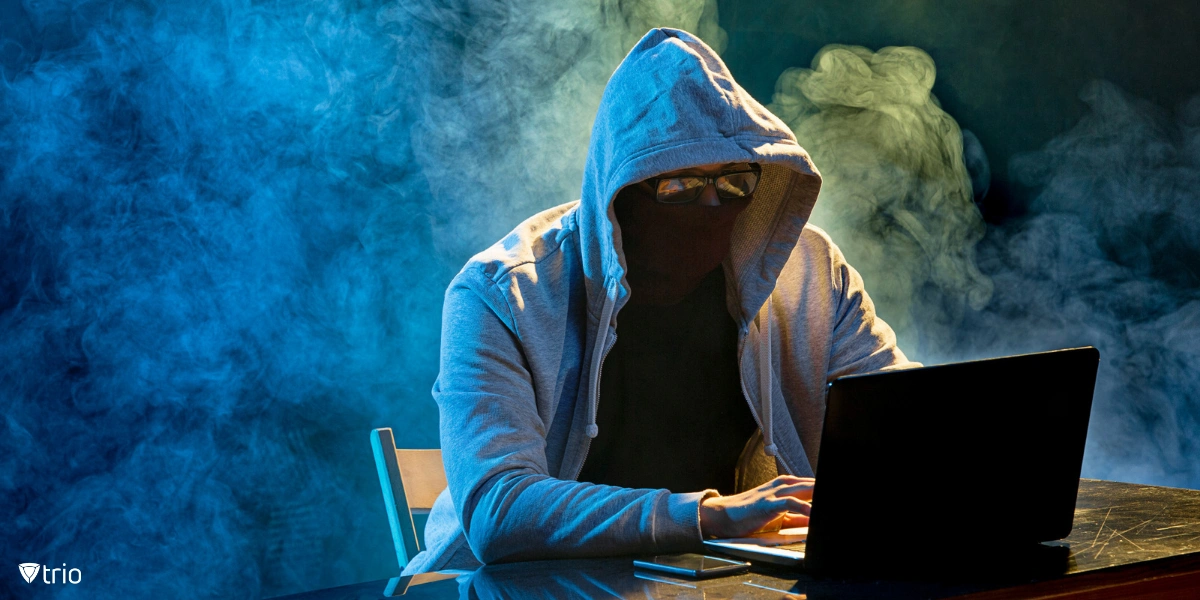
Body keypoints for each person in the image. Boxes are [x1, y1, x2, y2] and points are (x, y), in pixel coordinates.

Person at [401, 27, 917, 575]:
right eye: (682, 187)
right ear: (621, 190)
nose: (713, 207)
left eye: (736, 182)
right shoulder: (502, 294)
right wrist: (707, 515)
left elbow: (906, 423)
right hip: (523, 588)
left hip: (721, 582)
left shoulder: (808, 275)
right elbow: (499, 512)